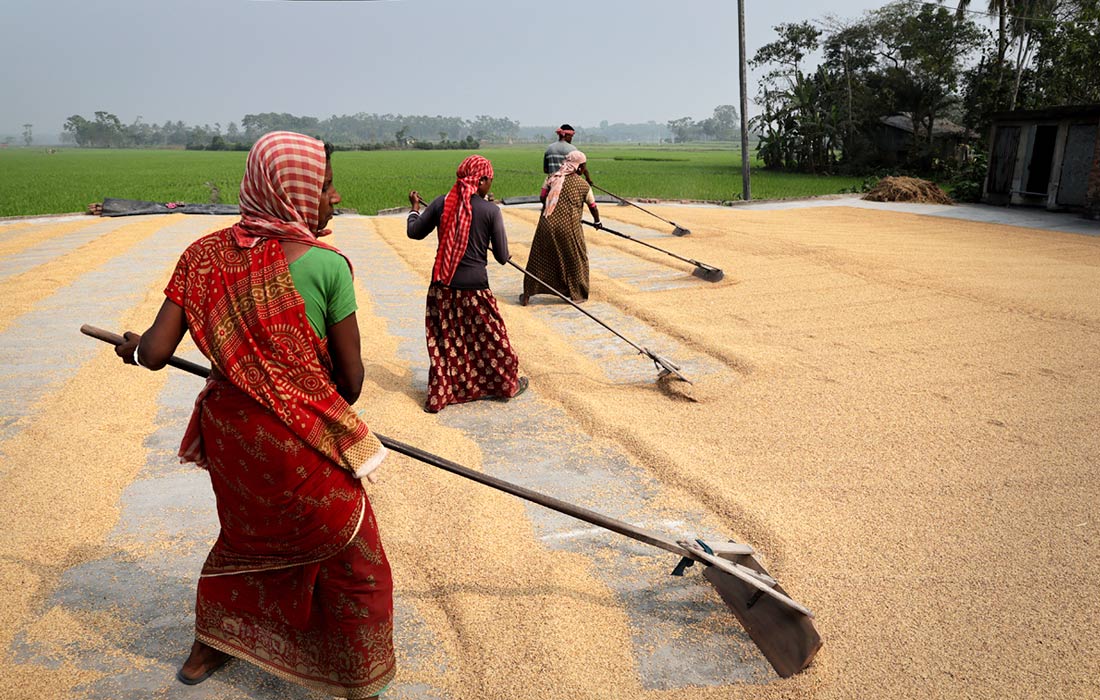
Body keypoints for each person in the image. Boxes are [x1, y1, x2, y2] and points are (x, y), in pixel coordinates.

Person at [113, 131, 395, 698]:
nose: (334, 198)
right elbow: (354, 382)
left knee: (246, 541)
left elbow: (155, 354)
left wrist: (133, 344)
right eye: (326, 185)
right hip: (300, 441)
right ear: (293, 189)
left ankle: (209, 646)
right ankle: (357, 673)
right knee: (351, 549)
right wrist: (301, 392)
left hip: (235, 437)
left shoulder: (202, 255)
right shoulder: (328, 267)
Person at [407, 154, 527, 413]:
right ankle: (507, 384)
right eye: (490, 180)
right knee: (492, 340)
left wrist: (415, 208)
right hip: (475, 288)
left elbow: (414, 232)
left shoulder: (442, 204)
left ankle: (448, 390)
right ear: (481, 180)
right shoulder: (490, 211)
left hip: (443, 287)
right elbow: (502, 257)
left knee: (448, 341)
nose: (491, 185)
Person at [520, 150, 601, 306]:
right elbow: (593, 206)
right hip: (569, 227)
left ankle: (527, 294)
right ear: (578, 167)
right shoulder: (583, 185)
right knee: (576, 259)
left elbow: (542, 197)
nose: (584, 169)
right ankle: (577, 294)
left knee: (538, 259)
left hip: (546, 224)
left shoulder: (552, 178)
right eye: (583, 166)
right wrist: (597, 222)